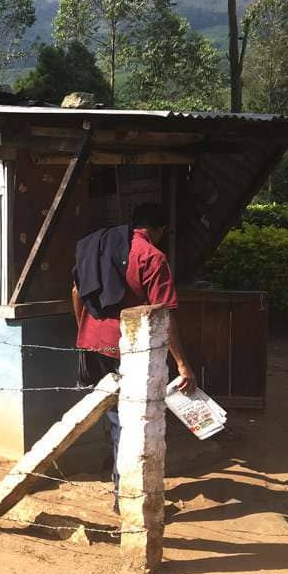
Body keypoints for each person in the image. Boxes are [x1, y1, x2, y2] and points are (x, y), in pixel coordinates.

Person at [71, 203, 196, 510]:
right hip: (131, 350)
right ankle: (125, 498)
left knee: (111, 413)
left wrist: (84, 330)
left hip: (94, 344)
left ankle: (116, 477)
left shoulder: (99, 245)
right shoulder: (152, 257)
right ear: (160, 230)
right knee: (131, 423)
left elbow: (76, 292)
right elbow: (163, 317)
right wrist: (182, 363)